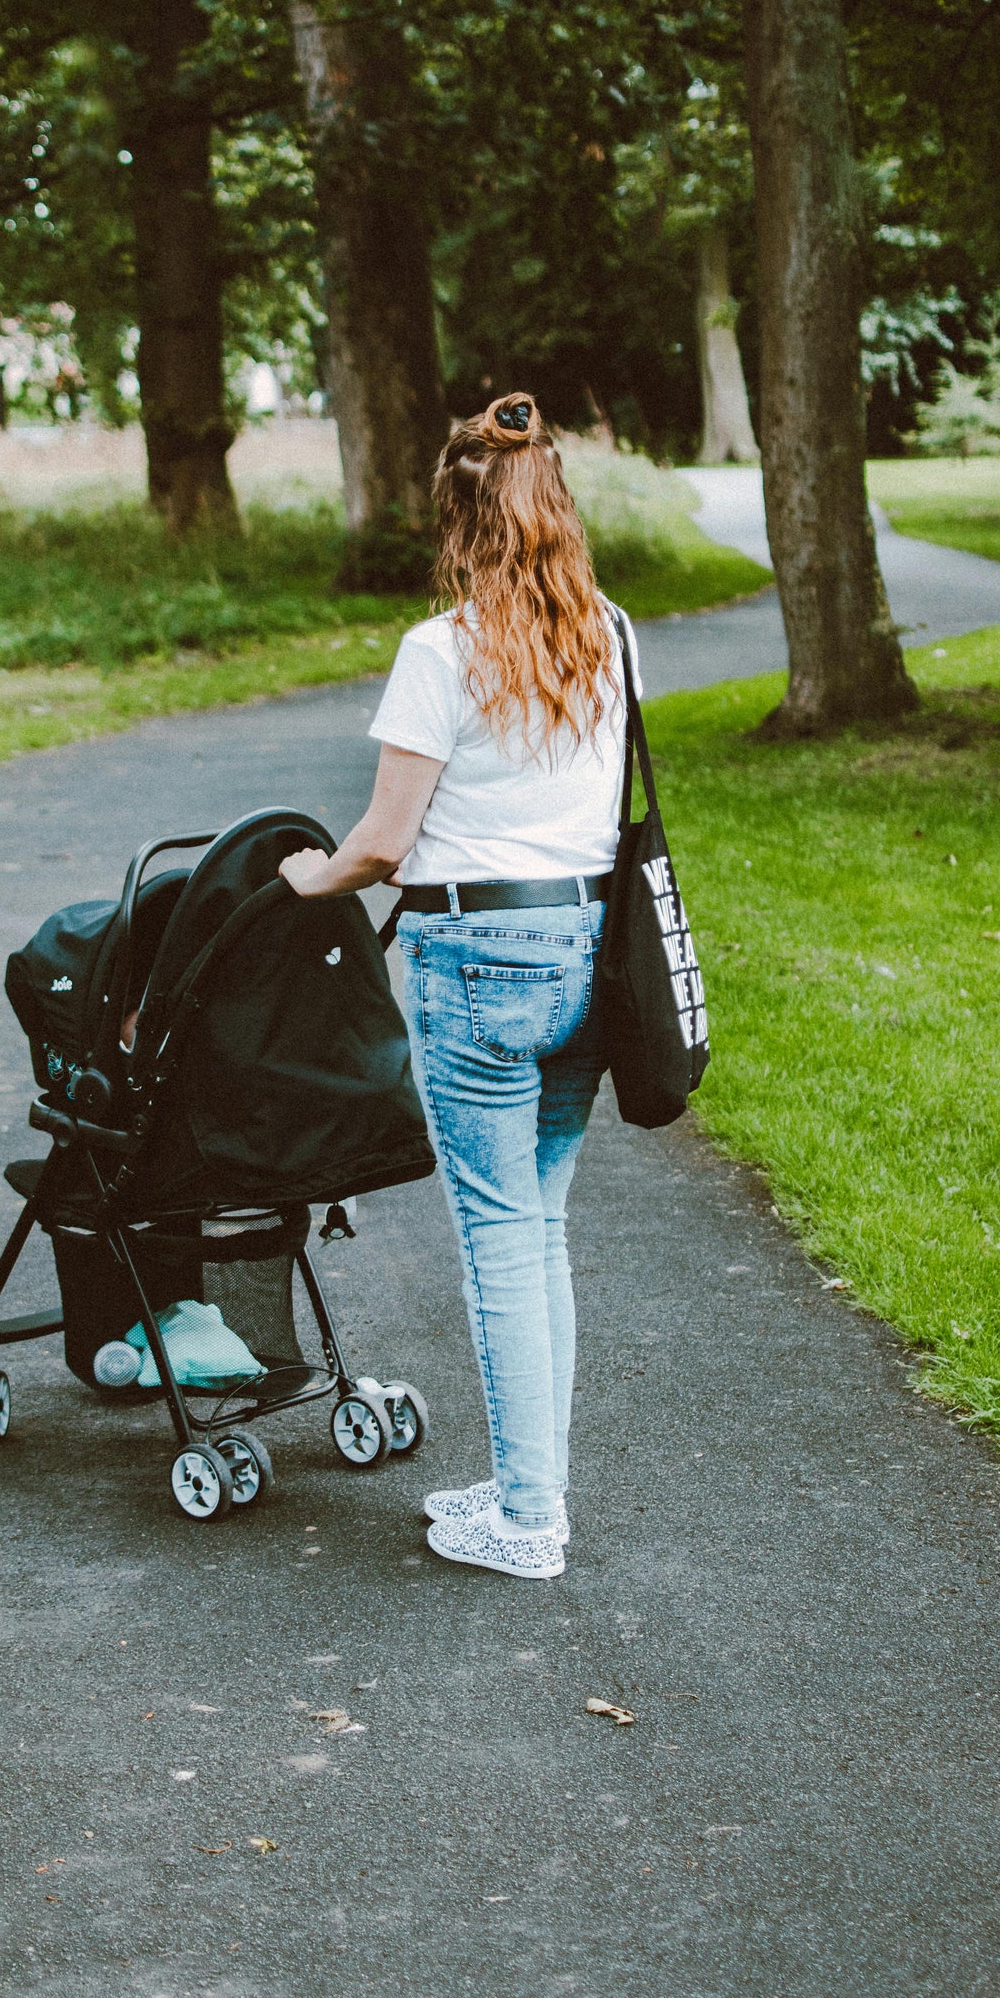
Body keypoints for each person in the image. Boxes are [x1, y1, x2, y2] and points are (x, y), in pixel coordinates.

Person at [279, 392, 641, 1581]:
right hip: (590, 955)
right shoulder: (614, 634)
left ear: (457, 518)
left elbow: (384, 841)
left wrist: (306, 878)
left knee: (503, 1240)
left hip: (478, 966)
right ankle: (528, 1486)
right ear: (559, 512)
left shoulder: (442, 651)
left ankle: (529, 1520)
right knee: (540, 1232)